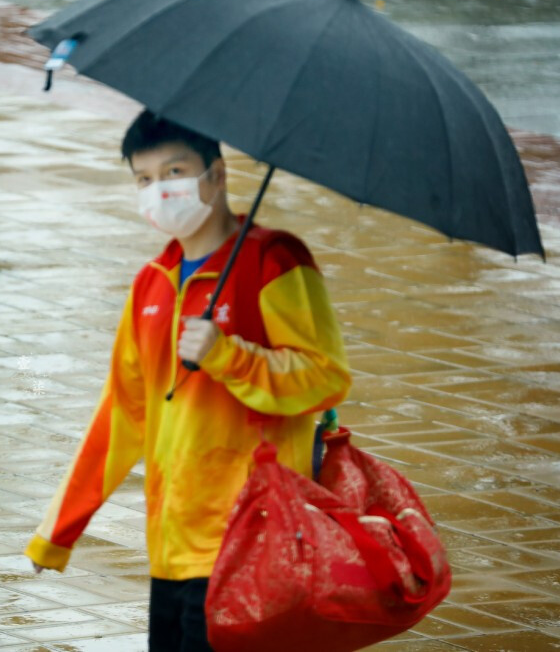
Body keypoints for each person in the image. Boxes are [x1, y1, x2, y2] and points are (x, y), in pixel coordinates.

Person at [24, 110, 352, 651]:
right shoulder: (150, 286)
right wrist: (59, 529)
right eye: (144, 180)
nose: (160, 190)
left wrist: (230, 357)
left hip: (253, 542)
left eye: (174, 173)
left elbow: (325, 377)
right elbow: (122, 416)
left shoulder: (276, 261)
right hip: (172, 545)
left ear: (216, 175)